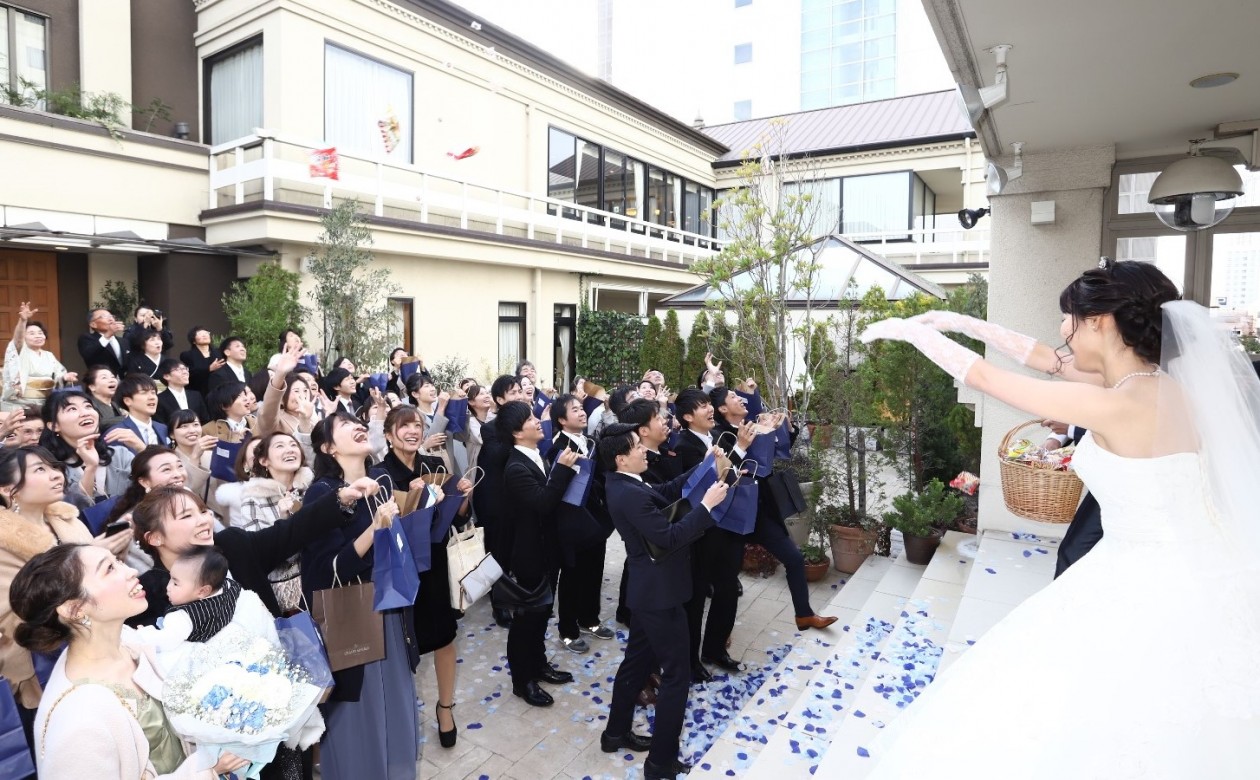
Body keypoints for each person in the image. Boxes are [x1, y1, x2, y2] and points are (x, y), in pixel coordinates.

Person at [860, 260, 1260, 778]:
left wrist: (908, 333)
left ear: (1101, 321)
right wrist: (961, 322)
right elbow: (1047, 361)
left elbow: (988, 379)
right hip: (1201, 570)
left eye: (1068, 318)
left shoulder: (1119, 403)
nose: (1062, 331)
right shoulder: (1166, 388)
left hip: (1144, 583)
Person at [11, 544, 248, 779]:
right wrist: (204, 770)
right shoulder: (77, 720)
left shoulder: (127, 640)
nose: (130, 571)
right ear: (75, 609)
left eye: (118, 561)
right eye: (109, 569)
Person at [598, 424, 728, 780]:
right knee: (676, 675)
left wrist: (703, 466)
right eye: (637, 446)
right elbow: (669, 537)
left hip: (647, 592)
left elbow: (667, 490)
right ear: (621, 458)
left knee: (636, 664)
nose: (645, 450)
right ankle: (659, 762)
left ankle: (614, 733)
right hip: (658, 595)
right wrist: (705, 506)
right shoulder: (629, 494)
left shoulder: (628, 483)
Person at [301, 412, 420, 780]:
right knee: (360, 716)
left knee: (394, 706)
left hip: (389, 610)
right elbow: (326, 571)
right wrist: (375, 527)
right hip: (352, 617)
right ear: (328, 446)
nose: (357, 426)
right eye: (344, 424)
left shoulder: (381, 485)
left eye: (359, 422)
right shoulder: (322, 493)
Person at [373, 405, 471, 749]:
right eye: (404, 426)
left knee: (444, 637)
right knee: (401, 646)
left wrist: (462, 498)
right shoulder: (380, 476)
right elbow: (380, 530)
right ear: (388, 434)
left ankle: (446, 708)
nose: (413, 431)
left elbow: (455, 519)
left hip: (436, 564)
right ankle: (401, 715)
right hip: (401, 568)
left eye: (417, 425)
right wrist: (412, 500)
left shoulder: (434, 466)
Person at [709, 387, 837, 637]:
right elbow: (722, 473)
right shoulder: (719, 435)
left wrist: (782, 429)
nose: (741, 399)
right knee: (727, 583)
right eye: (734, 397)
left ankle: (804, 614)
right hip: (732, 515)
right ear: (723, 409)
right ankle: (717, 641)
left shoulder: (752, 424)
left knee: (794, 558)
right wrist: (743, 444)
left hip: (760, 510)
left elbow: (778, 454)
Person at [0, 446, 97, 761]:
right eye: (39, 470)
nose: (56, 474)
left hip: (93, 650)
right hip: (38, 665)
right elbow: (10, 613)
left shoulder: (68, 522)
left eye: (54, 466)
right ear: (7, 489)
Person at [495, 400, 580, 707]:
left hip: (547, 550)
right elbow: (542, 501)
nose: (538, 422)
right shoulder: (516, 466)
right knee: (526, 619)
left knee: (543, 613)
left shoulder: (534, 455)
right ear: (518, 433)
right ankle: (522, 680)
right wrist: (563, 471)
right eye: (531, 419)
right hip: (529, 555)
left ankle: (539, 664)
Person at [547, 394, 613, 655]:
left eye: (581, 408)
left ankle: (590, 619)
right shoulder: (557, 448)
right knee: (572, 574)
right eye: (574, 410)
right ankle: (567, 629)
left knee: (594, 569)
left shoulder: (590, 442)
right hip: (569, 521)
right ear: (562, 419)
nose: (582, 413)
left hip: (594, 518)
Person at [471, 375, 524, 628]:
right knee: (497, 552)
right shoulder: (491, 428)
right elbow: (496, 455)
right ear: (500, 400)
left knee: (517, 550)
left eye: (520, 391)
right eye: (512, 393)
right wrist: (517, 435)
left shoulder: (529, 423)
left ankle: (516, 595)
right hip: (495, 500)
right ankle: (500, 605)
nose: (519, 395)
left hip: (520, 499)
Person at [3, 302, 74, 411]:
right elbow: (17, 340)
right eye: (31, 333)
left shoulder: (49, 356)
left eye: (40, 333)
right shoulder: (18, 351)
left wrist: (65, 378)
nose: (38, 336)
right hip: (19, 403)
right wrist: (23, 321)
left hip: (44, 402)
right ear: (24, 337)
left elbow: (58, 375)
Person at [167, 410, 216, 505]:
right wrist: (195, 456)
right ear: (172, 434)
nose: (192, 430)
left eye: (196, 425)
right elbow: (188, 490)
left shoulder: (212, 456)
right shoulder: (169, 461)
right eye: (184, 426)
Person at [155, 359, 208, 426]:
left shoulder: (196, 395)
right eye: (178, 369)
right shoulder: (159, 400)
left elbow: (205, 420)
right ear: (166, 376)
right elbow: (161, 426)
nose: (185, 372)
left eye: (185, 369)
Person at [77, 308, 128, 377]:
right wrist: (107, 335)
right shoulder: (87, 338)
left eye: (111, 316)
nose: (110, 319)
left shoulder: (123, 341)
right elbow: (88, 354)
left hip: (124, 383)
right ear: (93, 324)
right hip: (101, 381)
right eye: (104, 317)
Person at [179, 326, 224, 398]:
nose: (204, 335)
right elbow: (191, 373)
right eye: (200, 334)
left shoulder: (219, 353)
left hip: (218, 392)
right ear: (193, 341)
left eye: (206, 333)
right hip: (198, 392)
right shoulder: (187, 355)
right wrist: (209, 369)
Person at [84, 366, 126, 431]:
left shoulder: (115, 404)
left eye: (113, 377)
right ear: (92, 387)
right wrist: (128, 418)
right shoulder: (88, 405)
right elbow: (99, 424)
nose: (111, 380)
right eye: (104, 378)